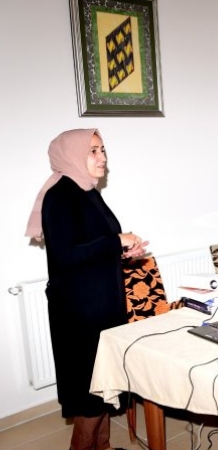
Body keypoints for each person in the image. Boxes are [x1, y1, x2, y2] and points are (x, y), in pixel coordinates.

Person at [25, 129, 147, 450]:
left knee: (104, 387)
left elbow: (92, 247)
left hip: (101, 305)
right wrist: (114, 241)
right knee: (90, 395)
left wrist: (121, 250)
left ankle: (103, 447)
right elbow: (66, 255)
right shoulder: (60, 196)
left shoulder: (87, 191)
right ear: (72, 154)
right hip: (80, 314)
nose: (103, 157)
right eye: (93, 150)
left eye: (103, 149)